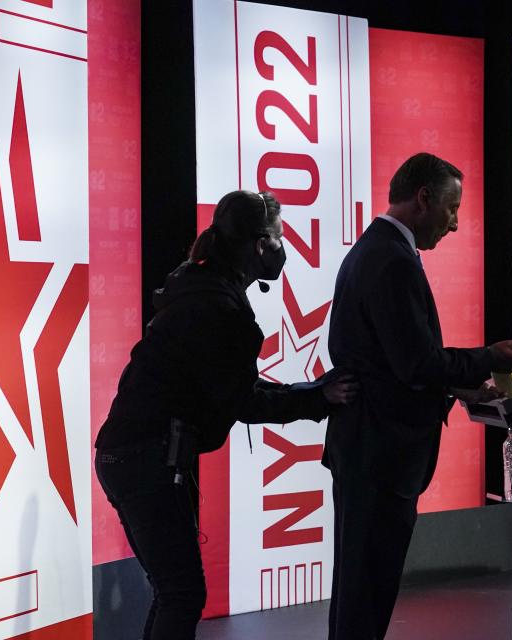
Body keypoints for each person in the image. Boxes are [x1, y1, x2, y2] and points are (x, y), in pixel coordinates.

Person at [95, 190, 358, 640]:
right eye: (277, 239)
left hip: (131, 457)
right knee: (181, 594)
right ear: (259, 246)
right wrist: (320, 398)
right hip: (146, 462)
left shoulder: (198, 285)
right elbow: (245, 401)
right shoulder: (219, 306)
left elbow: (233, 389)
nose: (281, 249)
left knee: (172, 591)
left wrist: (312, 392)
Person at [323, 152, 512, 640]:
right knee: (366, 594)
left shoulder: (377, 250)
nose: (456, 224)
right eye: (453, 208)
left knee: (362, 590)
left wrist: (459, 383)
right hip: (380, 454)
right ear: (424, 199)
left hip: (369, 451)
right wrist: (489, 357)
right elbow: (415, 362)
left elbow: (396, 361)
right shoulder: (390, 259)